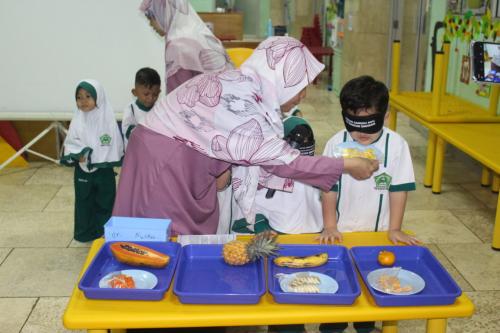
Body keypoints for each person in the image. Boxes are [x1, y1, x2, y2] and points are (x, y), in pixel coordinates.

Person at [112, 36, 379, 236]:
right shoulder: (246, 103)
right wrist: (347, 164)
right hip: (163, 164)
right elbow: (286, 162)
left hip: (171, 158)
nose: (302, 96)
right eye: (299, 86)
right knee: (156, 239)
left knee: (180, 235)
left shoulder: (243, 85)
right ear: (282, 78)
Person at [320, 75, 418, 333]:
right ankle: (331, 328)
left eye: (368, 125)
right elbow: (329, 187)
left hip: (377, 233)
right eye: (354, 125)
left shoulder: (397, 146)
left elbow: (399, 189)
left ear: (385, 116)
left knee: (373, 283)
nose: (360, 133)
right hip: (340, 233)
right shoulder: (335, 143)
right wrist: (329, 225)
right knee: (337, 288)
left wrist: (394, 229)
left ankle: (366, 327)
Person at [231, 116, 322, 234]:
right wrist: (261, 227)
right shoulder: (262, 170)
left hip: (310, 237)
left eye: (307, 142)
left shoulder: (316, 171)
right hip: (272, 235)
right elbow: (245, 207)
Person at [61, 80, 124, 242]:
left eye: (88, 96)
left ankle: (104, 233)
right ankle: (84, 233)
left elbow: (113, 143)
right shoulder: (77, 119)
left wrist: (102, 156)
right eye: (79, 97)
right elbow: (71, 141)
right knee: (83, 202)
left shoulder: (108, 119)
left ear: (99, 97)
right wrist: (79, 152)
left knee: (106, 201)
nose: (83, 101)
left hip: (104, 170)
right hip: (83, 168)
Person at [139, 0, 234, 93]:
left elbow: (178, 98)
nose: (151, 24)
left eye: (151, 18)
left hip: (214, 103)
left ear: (163, 13)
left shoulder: (177, 45)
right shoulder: (199, 32)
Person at [122, 67, 162, 149]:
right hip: (135, 152)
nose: (150, 98)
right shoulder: (131, 109)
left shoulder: (160, 109)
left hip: (153, 151)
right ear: (135, 92)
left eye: (155, 94)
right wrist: (145, 132)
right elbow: (126, 130)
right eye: (146, 94)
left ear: (159, 92)